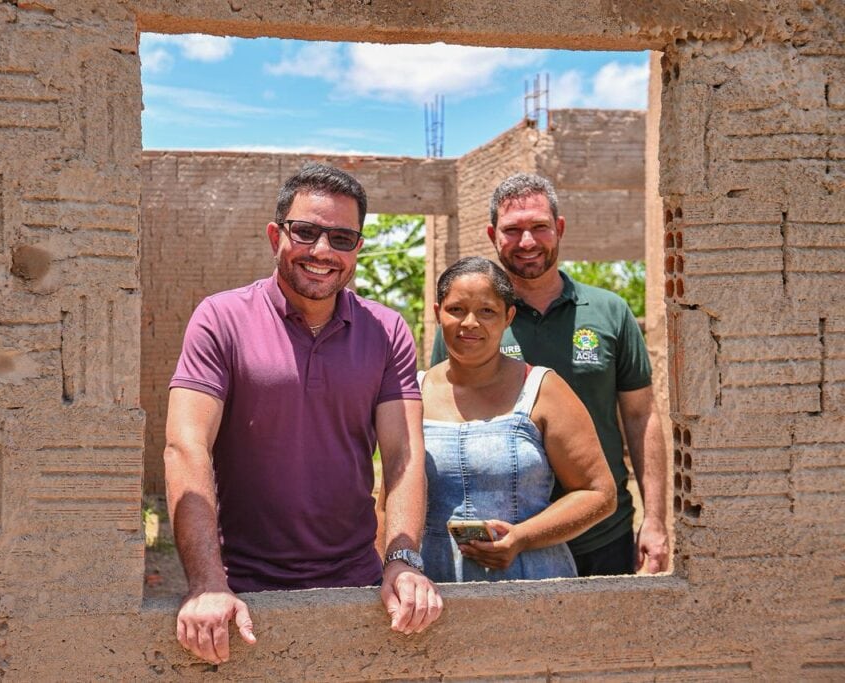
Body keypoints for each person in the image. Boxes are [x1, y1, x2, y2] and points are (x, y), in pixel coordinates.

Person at [164, 163, 442, 665]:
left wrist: (402, 562)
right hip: (242, 591)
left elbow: (403, 453)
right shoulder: (221, 319)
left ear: (357, 247)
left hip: (356, 586)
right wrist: (207, 582)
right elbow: (186, 445)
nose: (322, 251)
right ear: (276, 235)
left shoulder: (387, 331)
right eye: (306, 232)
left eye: (341, 237)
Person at [430, 173, 670, 577]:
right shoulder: (469, 326)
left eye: (539, 226)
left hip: (600, 535)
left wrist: (656, 520)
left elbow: (640, 417)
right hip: (502, 546)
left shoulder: (609, 312)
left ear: (559, 228)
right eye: (513, 230)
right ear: (493, 235)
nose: (527, 242)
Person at [420, 256, 616, 582]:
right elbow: (389, 500)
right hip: (434, 586)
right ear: (437, 312)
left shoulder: (542, 389)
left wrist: (522, 537)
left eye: (487, 311)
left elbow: (599, 493)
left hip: (532, 582)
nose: (470, 322)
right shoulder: (414, 393)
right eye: (456, 309)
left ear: (508, 316)